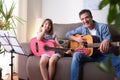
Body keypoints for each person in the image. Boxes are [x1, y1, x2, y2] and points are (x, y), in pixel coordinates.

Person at [66, 9, 120, 80]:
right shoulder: (82, 28)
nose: (85, 21)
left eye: (87, 17)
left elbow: (107, 39)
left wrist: (106, 41)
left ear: (91, 17)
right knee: (76, 54)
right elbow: (67, 34)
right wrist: (77, 39)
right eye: (82, 19)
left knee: (119, 62)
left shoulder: (102, 27)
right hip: (89, 55)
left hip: (103, 55)